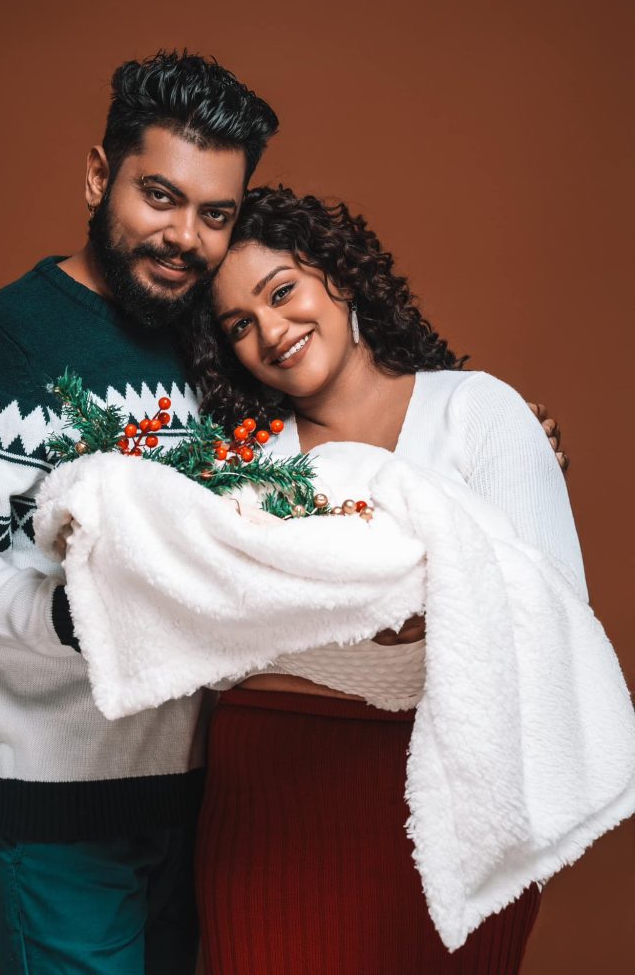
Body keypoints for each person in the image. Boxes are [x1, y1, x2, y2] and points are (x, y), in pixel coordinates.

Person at [0, 51, 278, 975]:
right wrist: (75, 615)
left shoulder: (212, 344)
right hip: (55, 805)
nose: (184, 236)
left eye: (215, 214)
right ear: (97, 176)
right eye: (160, 196)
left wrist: (485, 427)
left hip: (188, 797)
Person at [182, 185, 586, 973]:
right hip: (269, 797)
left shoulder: (478, 412)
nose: (271, 331)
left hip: (460, 801)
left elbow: (552, 617)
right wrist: (427, 598)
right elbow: (213, 642)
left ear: (339, 274)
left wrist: (317, 618)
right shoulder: (246, 460)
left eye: (281, 291)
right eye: (239, 325)